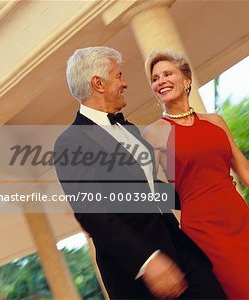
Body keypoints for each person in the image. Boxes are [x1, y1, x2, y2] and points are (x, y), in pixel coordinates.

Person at [54, 46, 226, 299]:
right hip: (135, 274)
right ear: (98, 84)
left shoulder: (131, 128)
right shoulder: (70, 142)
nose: (125, 83)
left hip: (180, 248)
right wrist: (147, 261)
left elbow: (150, 189)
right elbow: (93, 213)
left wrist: (200, 191)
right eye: (119, 76)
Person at [142, 49, 249, 299]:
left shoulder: (215, 122)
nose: (160, 81)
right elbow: (149, 191)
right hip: (204, 230)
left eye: (167, 74)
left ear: (186, 80)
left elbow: (248, 173)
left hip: (241, 220)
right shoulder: (153, 133)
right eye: (155, 78)